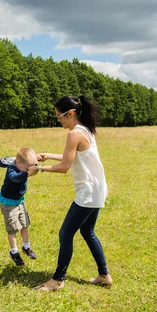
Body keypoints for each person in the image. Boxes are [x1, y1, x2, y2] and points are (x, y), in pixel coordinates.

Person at [29, 95, 111, 291]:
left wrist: (39, 169)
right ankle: (104, 275)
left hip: (88, 193)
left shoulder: (74, 133)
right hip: (97, 190)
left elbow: (65, 166)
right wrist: (48, 155)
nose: (59, 120)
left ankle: (58, 279)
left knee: (65, 233)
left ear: (71, 113)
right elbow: (71, 156)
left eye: (60, 116)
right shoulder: (86, 130)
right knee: (87, 231)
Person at [0, 147, 39, 266]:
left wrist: (35, 162)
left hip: (19, 201)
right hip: (9, 204)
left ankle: (26, 247)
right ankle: (14, 252)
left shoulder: (22, 164)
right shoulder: (11, 169)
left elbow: (29, 164)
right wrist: (27, 173)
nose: (28, 171)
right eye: (26, 169)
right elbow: (15, 178)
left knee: (25, 224)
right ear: (18, 162)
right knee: (13, 229)